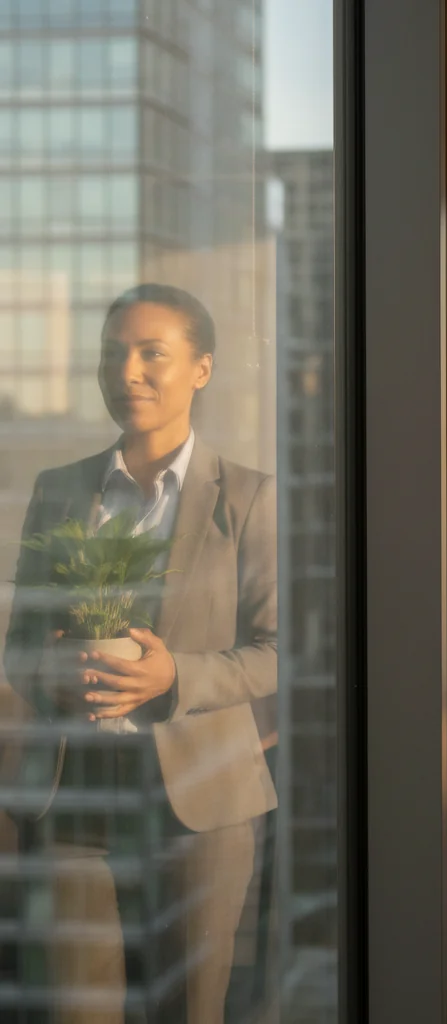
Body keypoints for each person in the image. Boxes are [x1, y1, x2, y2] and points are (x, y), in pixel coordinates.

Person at [4, 283, 277, 1023]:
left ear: (202, 368)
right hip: (75, 798)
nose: (127, 371)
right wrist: (49, 671)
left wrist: (175, 676)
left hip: (200, 805)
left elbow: (275, 652)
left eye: (152, 353)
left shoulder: (251, 498)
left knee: (189, 1011)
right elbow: (19, 647)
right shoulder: (59, 491)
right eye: (112, 353)